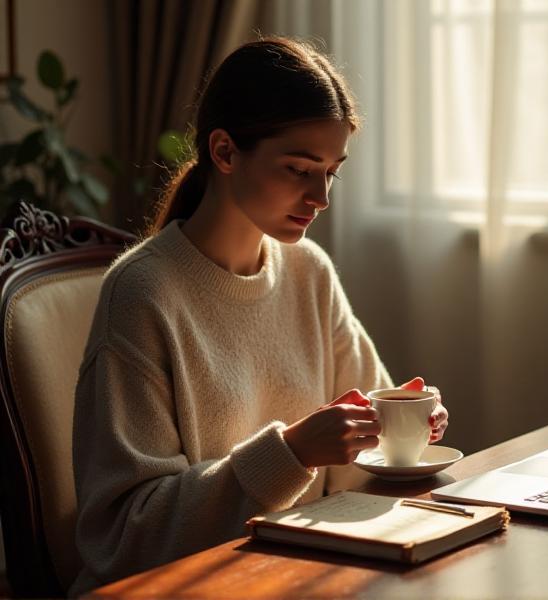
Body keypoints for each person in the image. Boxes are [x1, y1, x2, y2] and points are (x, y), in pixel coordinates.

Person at [69, 35, 448, 596]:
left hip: (297, 577)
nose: (320, 196)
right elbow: (128, 537)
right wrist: (291, 454)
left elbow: (369, 468)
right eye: (299, 168)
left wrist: (407, 426)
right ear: (224, 152)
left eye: (332, 171)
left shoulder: (308, 272)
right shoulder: (142, 293)